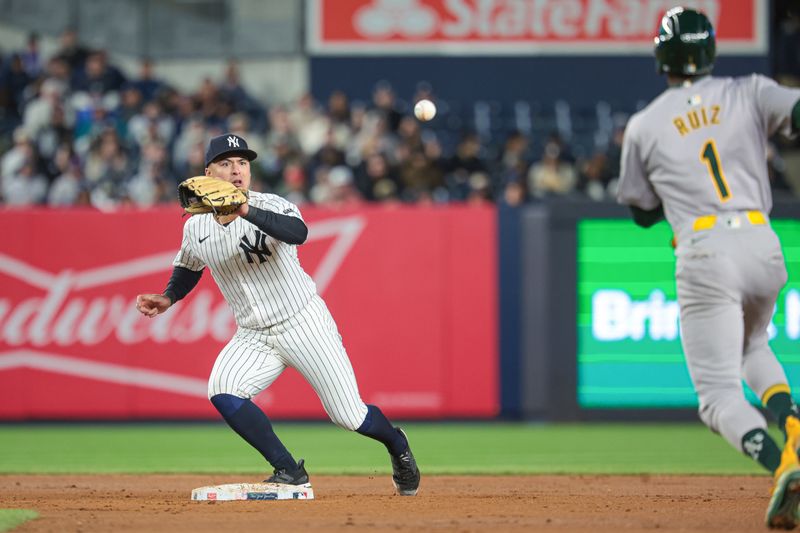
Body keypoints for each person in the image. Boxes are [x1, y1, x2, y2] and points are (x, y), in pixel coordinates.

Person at [135, 133, 420, 496]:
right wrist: (168, 297)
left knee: (349, 415)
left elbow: (297, 233)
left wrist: (243, 210)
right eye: (226, 163)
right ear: (208, 173)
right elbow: (189, 266)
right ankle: (288, 469)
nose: (237, 170)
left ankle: (396, 444)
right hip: (253, 334)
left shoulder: (271, 204)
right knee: (223, 389)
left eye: (243, 162)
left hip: (302, 323)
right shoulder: (195, 226)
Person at [616, 7, 800, 528]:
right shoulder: (751, 90)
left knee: (718, 397)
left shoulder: (646, 124)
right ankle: (792, 424)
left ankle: (782, 462)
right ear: (711, 50)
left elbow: (641, 211)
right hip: (763, 240)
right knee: (753, 346)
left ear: (663, 58)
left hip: (704, 248)